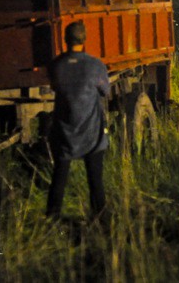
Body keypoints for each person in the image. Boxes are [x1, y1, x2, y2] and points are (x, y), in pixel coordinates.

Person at [46, 21, 110, 221]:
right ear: (84, 39)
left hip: (64, 133)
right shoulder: (95, 66)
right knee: (95, 181)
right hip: (92, 134)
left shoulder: (56, 66)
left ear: (65, 39)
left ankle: (52, 220)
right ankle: (100, 221)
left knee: (59, 178)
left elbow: (56, 87)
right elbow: (105, 91)